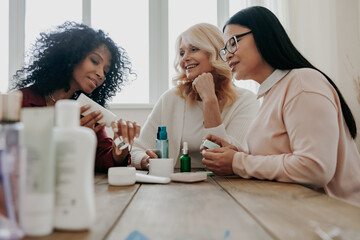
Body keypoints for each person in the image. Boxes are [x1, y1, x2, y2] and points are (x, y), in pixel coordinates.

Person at [201, 6, 360, 207]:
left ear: (263, 35)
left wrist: (238, 162)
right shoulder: (273, 93)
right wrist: (238, 155)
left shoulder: (303, 82)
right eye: (224, 50)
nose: (228, 55)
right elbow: (282, 157)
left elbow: (314, 168)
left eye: (233, 43)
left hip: (334, 219)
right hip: (297, 209)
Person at [11, 21, 140, 173]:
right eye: (94, 61)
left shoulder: (85, 110)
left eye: (105, 71)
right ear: (72, 57)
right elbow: (14, 160)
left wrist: (121, 148)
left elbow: (103, 157)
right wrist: (68, 140)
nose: (100, 74)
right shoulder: (21, 101)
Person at [130, 23, 259, 170]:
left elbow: (223, 159)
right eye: (181, 53)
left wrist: (209, 99)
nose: (185, 58)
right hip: (173, 186)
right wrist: (145, 160)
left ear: (215, 52)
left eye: (194, 49)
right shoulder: (170, 98)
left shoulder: (246, 101)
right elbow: (136, 150)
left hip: (226, 187)